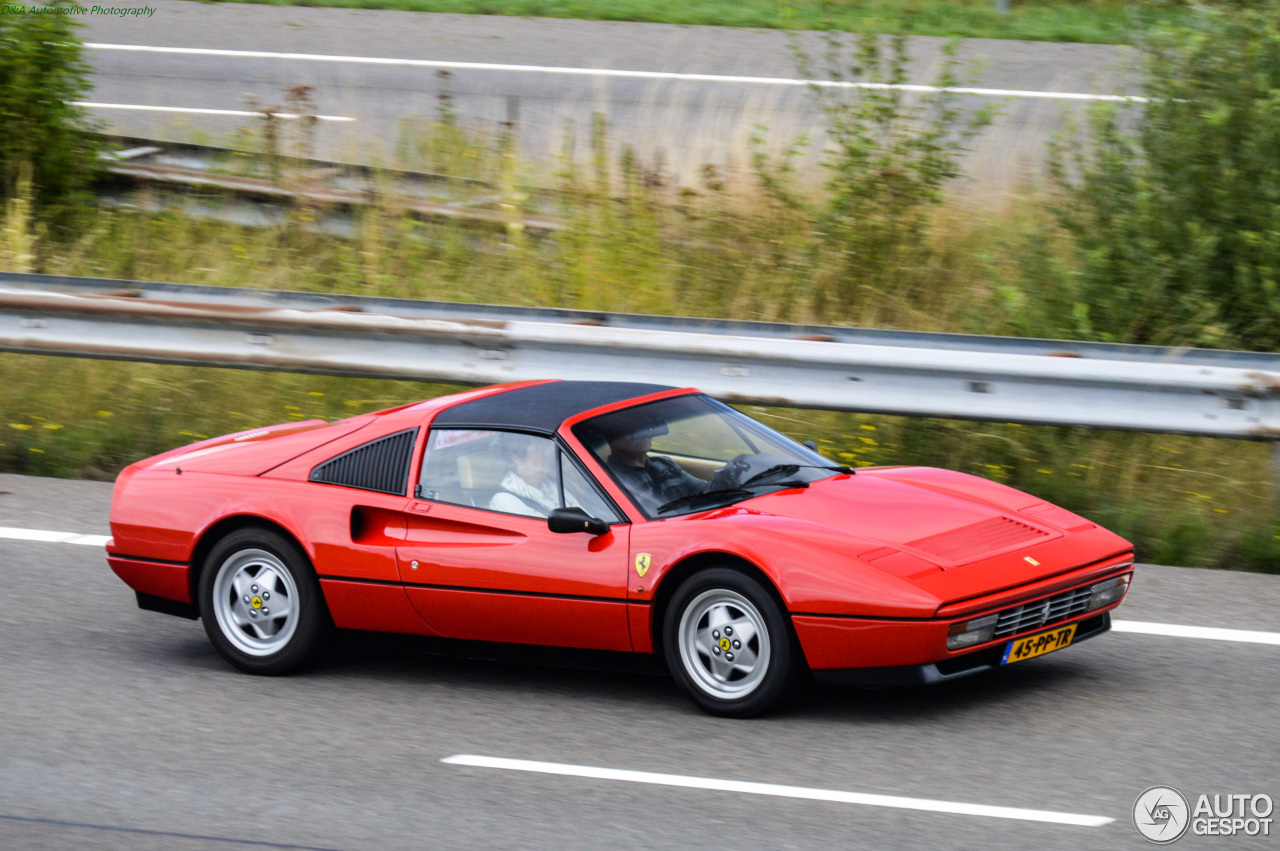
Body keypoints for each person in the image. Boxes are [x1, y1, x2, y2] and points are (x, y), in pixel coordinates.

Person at [604, 420, 708, 513]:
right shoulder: (612, 480)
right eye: (632, 431)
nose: (642, 434)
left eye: (644, 428)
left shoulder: (665, 463)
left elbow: (705, 489)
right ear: (613, 441)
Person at [489, 436, 559, 517]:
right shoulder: (505, 501)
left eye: (548, 448)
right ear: (517, 458)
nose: (550, 453)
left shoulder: (556, 482)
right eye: (541, 449)